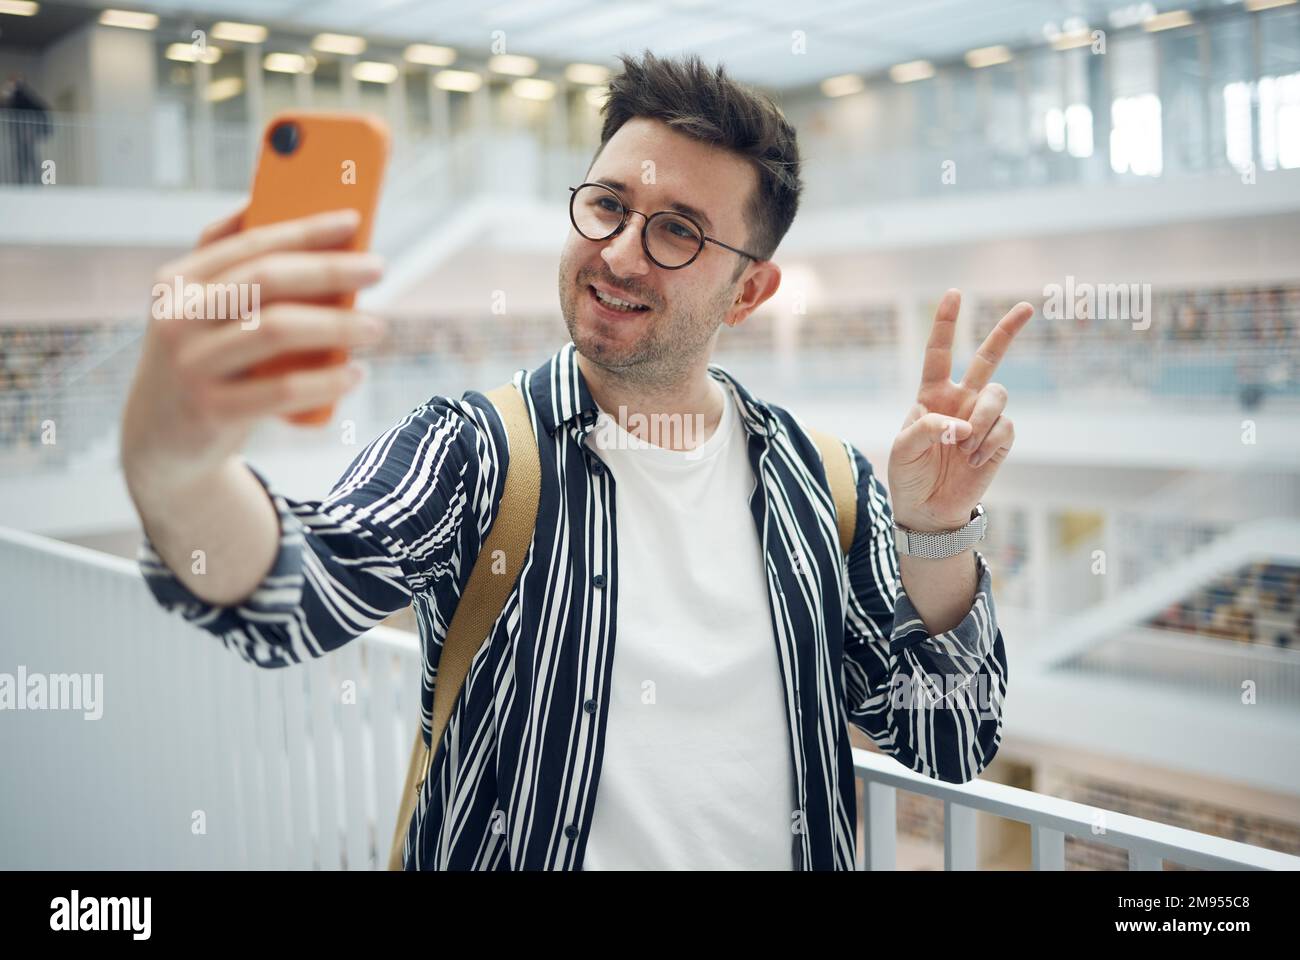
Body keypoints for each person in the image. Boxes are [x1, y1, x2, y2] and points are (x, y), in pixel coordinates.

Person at [121, 52, 1028, 870]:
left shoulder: (818, 481)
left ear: (749, 290)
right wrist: (176, 466)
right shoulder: (476, 452)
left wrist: (937, 531)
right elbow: (298, 590)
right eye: (607, 205)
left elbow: (945, 739)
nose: (619, 254)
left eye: (678, 231)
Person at [1, 74, 51, 185]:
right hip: (21, 133)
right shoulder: (17, 96)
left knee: (28, 158)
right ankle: (23, 181)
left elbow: (39, 109)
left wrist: (35, 131)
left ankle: (32, 181)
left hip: (26, 131)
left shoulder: (23, 95)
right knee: (23, 158)